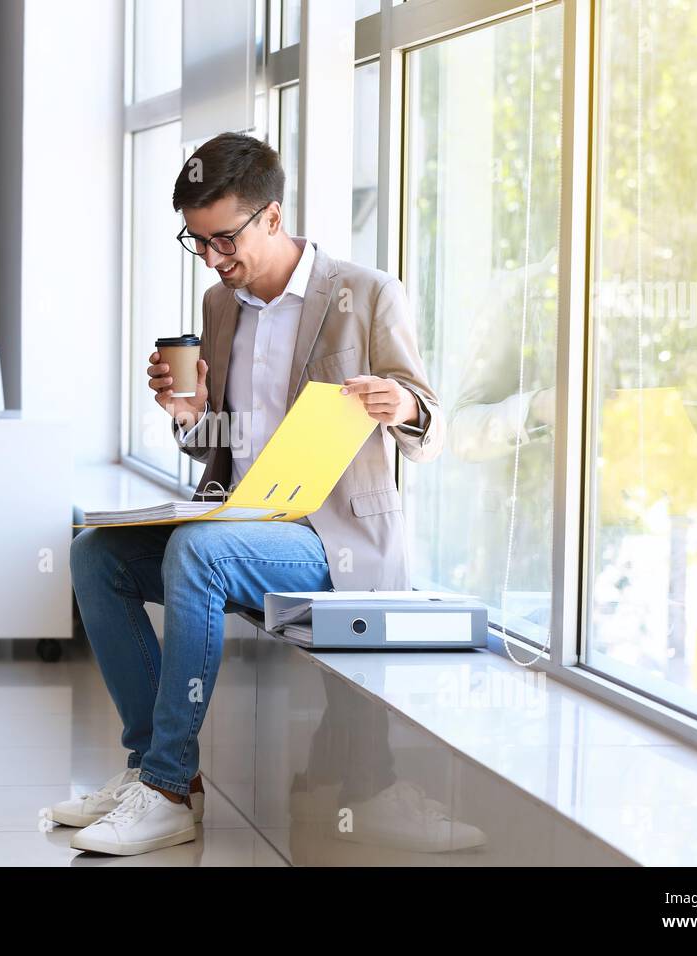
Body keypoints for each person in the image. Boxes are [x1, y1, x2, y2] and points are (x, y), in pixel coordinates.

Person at [55, 131, 443, 856]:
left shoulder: (366, 294)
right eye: (196, 242)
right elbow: (221, 444)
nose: (212, 258)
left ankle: (169, 791)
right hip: (241, 525)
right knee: (92, 555)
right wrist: (189, 420)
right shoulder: (220, 304)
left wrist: (403, 403)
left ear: (272, 217)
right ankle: (149, 768)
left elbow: (430, 422)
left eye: (224, 239)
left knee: (201, 552)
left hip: (333, 544)